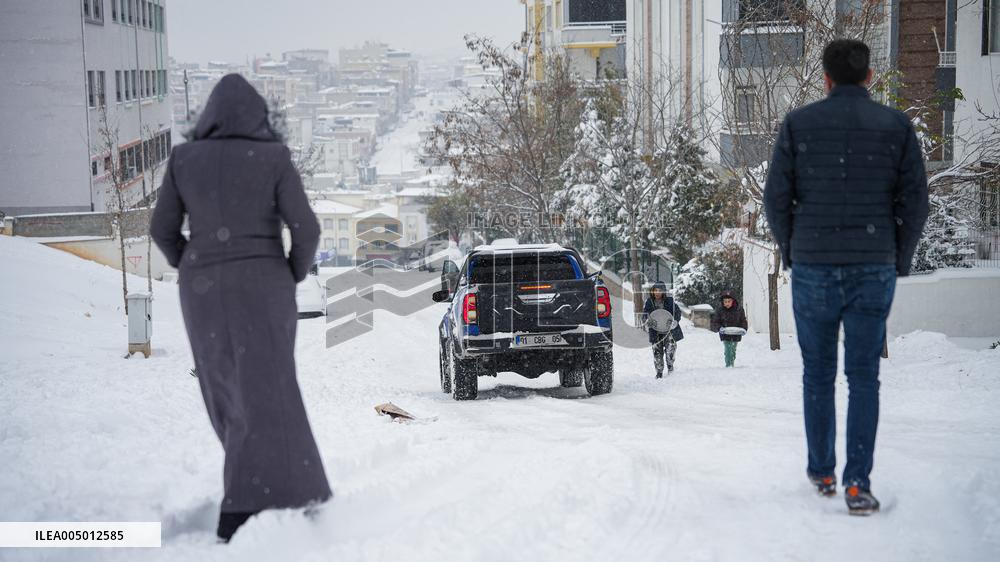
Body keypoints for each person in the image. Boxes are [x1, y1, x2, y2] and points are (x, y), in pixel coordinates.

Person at [150, 74, 332, 541]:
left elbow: (162, 230)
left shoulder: (184, 159)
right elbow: (307, 230)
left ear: (209, 115)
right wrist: (289, 271)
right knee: (273, 389)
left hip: (203, 291)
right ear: (259, 115)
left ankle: (251, 491)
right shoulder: (272, 157)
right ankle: (271, 497)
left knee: (226, 391)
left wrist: (192, 260)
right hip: (264, 286)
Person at [763, 40, 929, 515]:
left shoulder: (799, 124)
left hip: (813, 265)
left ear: (826, 78)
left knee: (817, 374)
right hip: (873, 266)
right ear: (870, 77)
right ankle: (858, 482)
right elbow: (915, 202)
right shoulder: (896, 126)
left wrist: (794, 249)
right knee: (864, 377)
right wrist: (896, 256)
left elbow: (776, 199)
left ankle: (822, 471)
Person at [641, 281, 683, 378]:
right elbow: (645, 314)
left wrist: (675, 321)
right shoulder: (649, 302)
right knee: (657, 352)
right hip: (655, 331)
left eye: (660, 290)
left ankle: (670, 367)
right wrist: (647, 320)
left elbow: (677, 312)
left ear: (663, 292)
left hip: (669, 331)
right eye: (655, 290)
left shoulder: (670, 301)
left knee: (670, 350)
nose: (657, 293)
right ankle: (659, 372)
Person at [709, 290, 748, 368]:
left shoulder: (739, 309)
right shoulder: (720, 310)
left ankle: (731, 361)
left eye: (729, 301)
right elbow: (715, 322)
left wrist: (744, 329)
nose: (727, 303)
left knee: (733, 349)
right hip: (725, 334)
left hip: (736, 333)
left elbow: (743, 320)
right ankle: (728, 365)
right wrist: (719, 328)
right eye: (725, 301)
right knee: (728, 349)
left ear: (733, 301)